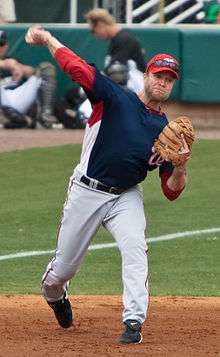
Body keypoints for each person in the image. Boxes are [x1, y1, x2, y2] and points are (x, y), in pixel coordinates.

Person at [25, 25, 191, 344]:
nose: (162, 82)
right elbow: (78, 68)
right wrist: (47, 39)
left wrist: (181, 167)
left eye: (169, 79)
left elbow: (171, 191)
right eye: (159, 75)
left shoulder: (167, 131)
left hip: (126, 196)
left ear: (172, 85)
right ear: (146, 76)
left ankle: (133, 321)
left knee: (135, 247)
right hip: (86, 190)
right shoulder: (115, 97)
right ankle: (55, 295)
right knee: (61, 272)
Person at [0, 30, 57, 128]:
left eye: (1, 44)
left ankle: (44, 117)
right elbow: (5, 64)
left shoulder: (14, 61)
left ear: (6, 46)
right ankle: (25, 121)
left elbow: (34, 72)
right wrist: (6, 64)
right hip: (2, 101)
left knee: (46, 68)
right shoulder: (8, 62)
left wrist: (19, 67)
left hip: (17, 98)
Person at [84, 8, 146, 73]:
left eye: (93, 31)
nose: (95, 35)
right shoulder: (118, 39)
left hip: (135, 82)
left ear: (100, 24)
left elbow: (115, 72)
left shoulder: (124, 39)